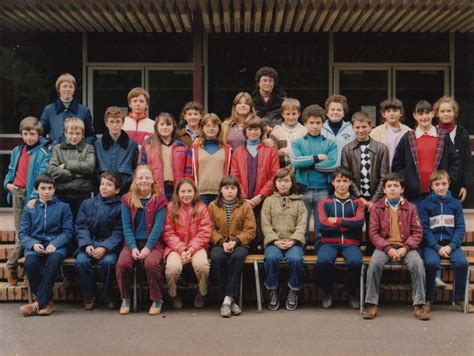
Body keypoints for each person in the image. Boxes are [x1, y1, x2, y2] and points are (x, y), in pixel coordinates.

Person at [362, 173, 430, 320]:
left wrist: (406, 247)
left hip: (406, 247)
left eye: (396, 186)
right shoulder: (377, 208)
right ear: (384, 190)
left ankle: (419, 305)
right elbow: (373, 233)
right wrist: (388, 248)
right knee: (374, 264)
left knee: (418, 264)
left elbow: (417, 232)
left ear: (402, 189)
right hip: (384, 247)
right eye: (389, 186)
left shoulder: (411, 208)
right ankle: (371, 303)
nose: (392, 189)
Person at [3, 117, 50, 286]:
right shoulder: (17, 150)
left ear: (38, 134)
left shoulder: (43, 153)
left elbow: (41, 178)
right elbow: (10, 171)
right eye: (25, 134)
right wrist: (7, 184)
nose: (29, 137)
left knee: (28, 234)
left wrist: (34, 198)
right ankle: (22, 272)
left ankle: (13, 266)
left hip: (32, 196)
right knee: (21, 233)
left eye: (32, 134)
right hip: (17, 193)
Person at [18, 173, 73, 316]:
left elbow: (68, 232)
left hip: (57, 246)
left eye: (50, 188)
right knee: (30, 264)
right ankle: (47, 301)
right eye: (43, 188)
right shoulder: (30, 208)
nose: (47, 191)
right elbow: (23, 233)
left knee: (53, 261)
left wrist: (55, 243)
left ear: (55, 189)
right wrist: (33, 244)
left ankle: (37, 303)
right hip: (36, 246)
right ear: (37, 190)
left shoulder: (63, 207)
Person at [115, 165, 168, 315]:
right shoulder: (127, 199)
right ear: (135, 180)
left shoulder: (160, 199)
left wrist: (147, 248)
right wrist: (132, 247)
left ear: (152, 180)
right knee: (122, 264)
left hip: (153, 244)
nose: (144, 180)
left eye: (147, 177)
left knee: (151, 264)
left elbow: (158, 228)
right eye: (140, 178)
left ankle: (156, 299)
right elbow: (126, 226)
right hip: (132, 243)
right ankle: (125, 298)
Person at [419, 170, 474, 313]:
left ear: (449, 184)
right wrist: (437, 247)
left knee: (462, 263)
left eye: (444, 183)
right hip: (432, 245)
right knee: (430, 263)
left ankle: (459, 298)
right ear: (431, 186)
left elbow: (460, 228)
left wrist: (451, 246)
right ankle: (428, 299)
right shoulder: (425, 204)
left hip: (452, 245)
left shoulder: (455, 204)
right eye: (437, 184)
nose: (441, 187)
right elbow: (424, 229)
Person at [392, 100, 459, 207]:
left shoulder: (443, 136)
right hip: (413, 195)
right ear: (415, 116)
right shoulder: (407, 138)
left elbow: (454, 161)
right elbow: (397, 164)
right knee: (417, 223)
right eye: (420, 113)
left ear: (432, 113)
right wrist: (407, 181)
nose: (424, 117)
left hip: (438, 192)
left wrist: (448, 178)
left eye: (427, 113)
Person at [341, 111, 389, 255]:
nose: (361, 130)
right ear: (353, 128)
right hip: (356, 199)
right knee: (353, 230)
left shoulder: (381, 148)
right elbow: (347, 176)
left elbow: (384, 176)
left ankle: (371, 264)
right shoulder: (347, 149)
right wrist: (359, 197)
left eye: (364, 127)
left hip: (376, 199)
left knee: (373, 232)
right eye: (357, 127)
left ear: (370, 126)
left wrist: (373, 200)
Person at [208, 175, 256, 317]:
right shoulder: (212, 206)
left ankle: (226, 300)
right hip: (219, 244)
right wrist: (222, 242)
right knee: (217, 257)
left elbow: (250, 230)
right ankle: (230, 300)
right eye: (226, 188)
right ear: (220, 190)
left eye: (233, 188)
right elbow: (209, 229)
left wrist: (236, 241)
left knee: (238, 256)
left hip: (240, 244)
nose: (230, 191)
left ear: (238, 190)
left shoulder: (245, 206)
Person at [75, 172, 124, 310]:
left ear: (117, 189)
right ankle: (89, 296)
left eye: (109, 185)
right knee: (81, 262)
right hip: (89, 244)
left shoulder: (121, 207)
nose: (104, 187)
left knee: (109, 262)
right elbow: (81, 226)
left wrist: (105, 247)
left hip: (108, 247)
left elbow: (119, 232)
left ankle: (108, 294)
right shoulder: (87, 204)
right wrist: (86, 245)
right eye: (102, 184)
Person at [317, 167, 364, 310]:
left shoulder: (358, 203)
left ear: (350, 183)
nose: (341, 184)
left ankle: (350, 292)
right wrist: (348, 223)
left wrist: (337, 221)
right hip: (329, 242)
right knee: (323, 261)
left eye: (345, 181)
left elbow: (359, 223)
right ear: (333, 183)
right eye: (338, 181)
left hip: (351, 243)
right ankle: (328, 291)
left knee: (356, 262)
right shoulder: (325, 203)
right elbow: (323, 226)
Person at [290, 104, 338, 245]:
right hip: (303, 190)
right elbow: (296, 162)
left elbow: (332, 165)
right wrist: (317, 158)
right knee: (301, 228)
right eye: (311, 123)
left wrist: (308, 163)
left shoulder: (330, 144)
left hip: (323, 190)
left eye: (318, 123)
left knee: (321, 228)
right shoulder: (297, 142)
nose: (315, 126)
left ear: (323, 123)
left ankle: (319, 260)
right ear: (305, 123)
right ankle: (300, 258)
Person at [261, 168, 306, 311]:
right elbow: (265, 224)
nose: (283, 184)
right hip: (274, 242)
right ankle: (272, 290)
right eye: (280, 181)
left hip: (293, 243)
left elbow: (302, 224)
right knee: (271, 258)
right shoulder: (268, 201)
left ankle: (293, 290)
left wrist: (293, 240)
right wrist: (275, 240)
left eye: (287, 181)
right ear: (275, 183)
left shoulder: (299, 202)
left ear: (292, 183)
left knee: (296, 259)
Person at [163, 178, 212, 310]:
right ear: (177, 193)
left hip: (196, 247)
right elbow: (168, 232)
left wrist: (190, 249)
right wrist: (182, 249)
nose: (186, 194)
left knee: (202, 266)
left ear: (195, 192)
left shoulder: (201, 208)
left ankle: (202, 293)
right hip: (175, 248)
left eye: (189, 191)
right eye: (183, 191)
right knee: (172, 268)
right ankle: (172, 295)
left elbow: (204, 232)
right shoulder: (170, 208)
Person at [47, 117, 95, 221]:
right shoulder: (57, 149)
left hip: (81, 196)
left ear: (83, 134)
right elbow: (51, 171)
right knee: (63, 226)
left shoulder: (89, 148)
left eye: (77, 133)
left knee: (80, 225)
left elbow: (89, 166)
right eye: (71, 133)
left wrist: (66, 164)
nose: (74, 137)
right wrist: (74, 174)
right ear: (65, 133)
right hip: (61, 195)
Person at [230, 116, 280, 209]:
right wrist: (243, 197)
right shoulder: (237, 152)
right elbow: (234, 176)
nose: (253, 132)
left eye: (256, 129)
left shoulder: (271, 151)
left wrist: (261, 195)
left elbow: (275, 175)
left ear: (261, 131)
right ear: (245, 131)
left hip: (265, 199)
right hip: (243, 200)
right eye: (249, 129)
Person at [185, 113, 232, 205]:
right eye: (207, 126)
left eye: (214, 126)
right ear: (202, 128)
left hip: (221, 194)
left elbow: (231, 173)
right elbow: (188, 174)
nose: (211, 129)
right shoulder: (194, 149)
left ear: (219, 128)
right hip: (200, 195)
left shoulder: (228, 149)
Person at [141, 112, 188, 200]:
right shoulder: (148, 145)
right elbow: (142, 167)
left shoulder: (182, 146)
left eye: (168, 124)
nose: (165, 127)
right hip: (155, 188)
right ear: (156, 127)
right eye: (162, 124)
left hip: (177, 189)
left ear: (173, 127)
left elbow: (188, 171)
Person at [40, 73, 95, 146]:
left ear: (74, 89)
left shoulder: (84, 110)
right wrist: (49, 146)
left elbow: (91, 136)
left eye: (71, 87)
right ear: (58, 89)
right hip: (55, 153)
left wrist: (82, 146)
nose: (68, 89)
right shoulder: (49, 110)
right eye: (64, 86)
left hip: (77, 154)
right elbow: (39, 134)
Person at [434, 96, 471, 203]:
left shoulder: (462, 134)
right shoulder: (433, 132)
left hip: (456, 186)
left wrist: (465, 185)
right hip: (436, 185)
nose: (446, 114)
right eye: (442, 111)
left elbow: (467, 162)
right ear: (437, 113)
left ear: (454, 112)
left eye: (449, 111)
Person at [94, 106, 138, 194]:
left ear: (123, 123)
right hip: (103, 192)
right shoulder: (97, 144)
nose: (114, 125)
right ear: (106, 123)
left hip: (125, 191)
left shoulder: (132, 145)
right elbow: (95, 170)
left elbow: (135, 168)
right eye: (111, 122)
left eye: (118, 121)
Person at [370, 98, 411, 169]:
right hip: (381, 173)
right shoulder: (375, 132)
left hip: (401, 174)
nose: (391, 114)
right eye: (388, 111)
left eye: (395, 111)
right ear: (383, 114)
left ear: (401, 113)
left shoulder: (408, 132)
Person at [270, 98, 307, 170]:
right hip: (281, 171)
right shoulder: (276, 132)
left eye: (294, 114)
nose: (291, 117)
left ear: (299, 113)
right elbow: (270, 155)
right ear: (282, 114)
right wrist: (278, 153)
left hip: (300, 171)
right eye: (287, 114)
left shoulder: (305, 131)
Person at [321, 94, 355, 168]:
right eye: (332, 109)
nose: (335, 112)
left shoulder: (352, 130)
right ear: (327, 112)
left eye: (339, 110)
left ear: (344, 113)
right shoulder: (320, 129)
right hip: (323, 173)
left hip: (344, 175)